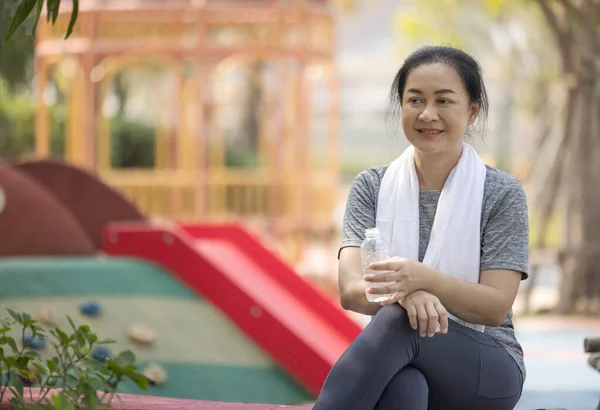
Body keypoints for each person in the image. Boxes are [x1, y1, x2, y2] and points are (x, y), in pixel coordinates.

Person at [312, 45, 529, 410]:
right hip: (404, 357)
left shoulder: (502, 193)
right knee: (405, 388)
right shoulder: (371, 186)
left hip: (487, 365)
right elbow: (351, 289)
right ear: (402, 106)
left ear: (472, 111)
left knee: (400, 322)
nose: (428, 114)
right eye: (415, 100)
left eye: (444, 101)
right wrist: (407, 293)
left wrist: (423, 280)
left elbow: (494, 306)